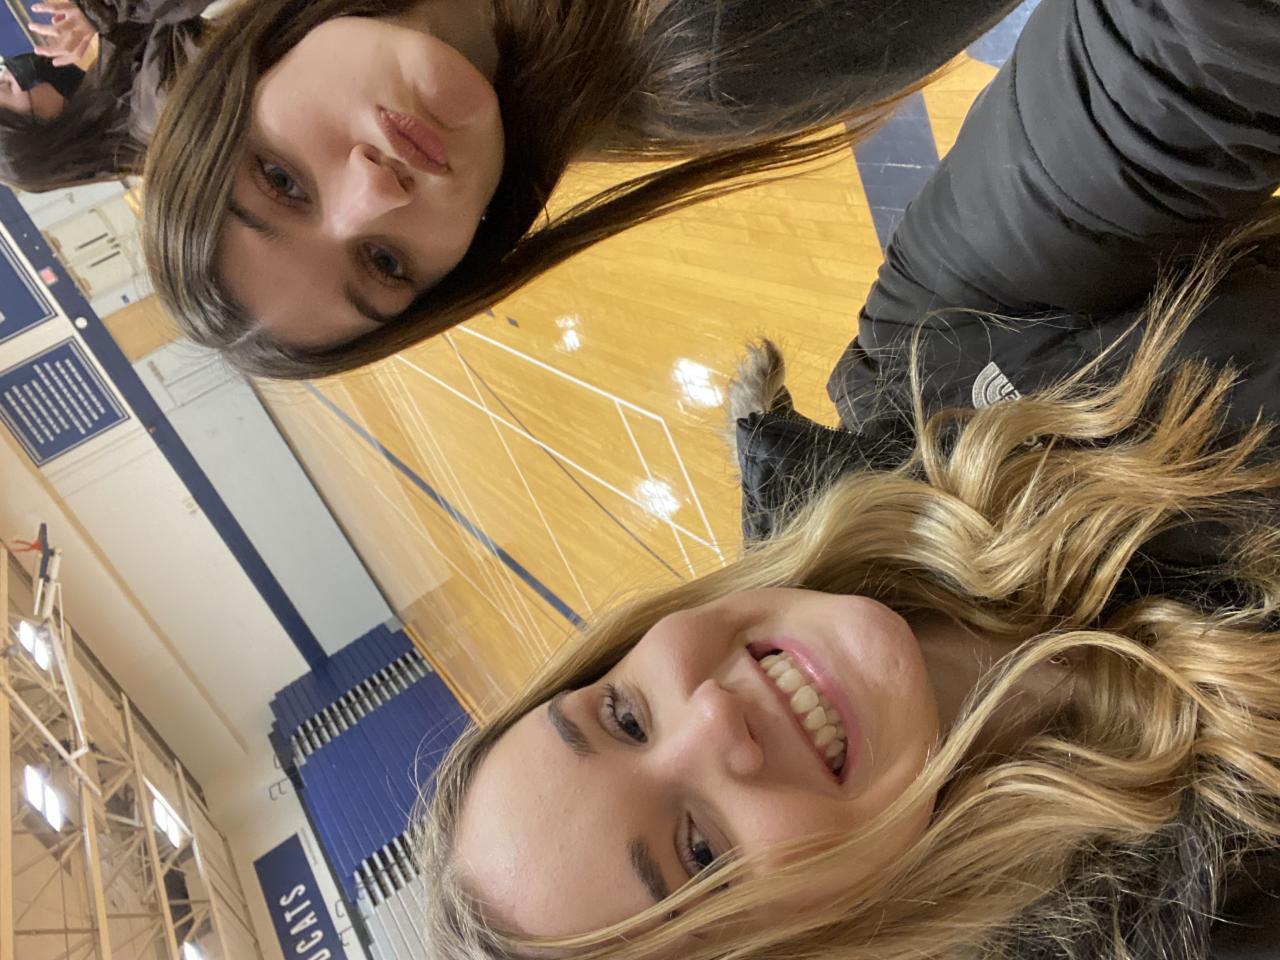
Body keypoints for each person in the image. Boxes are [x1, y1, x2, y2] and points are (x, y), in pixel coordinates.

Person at [411, 0, 1280, 957]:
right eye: (699, 851)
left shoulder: (932, 353)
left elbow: (1175, 61)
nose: (712, 715)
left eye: (624, 714)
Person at [140, 0, 1023, 378]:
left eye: (282, 180)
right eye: (383, 262)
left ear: (238, 80)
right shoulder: (711, 48)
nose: (376, 196)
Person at [0, 0, 209, 193]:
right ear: (46, 131)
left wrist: (102, 15)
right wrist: (104, 9)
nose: (10, 71)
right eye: (7, 86)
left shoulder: (119, 91)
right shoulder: (158, 103)